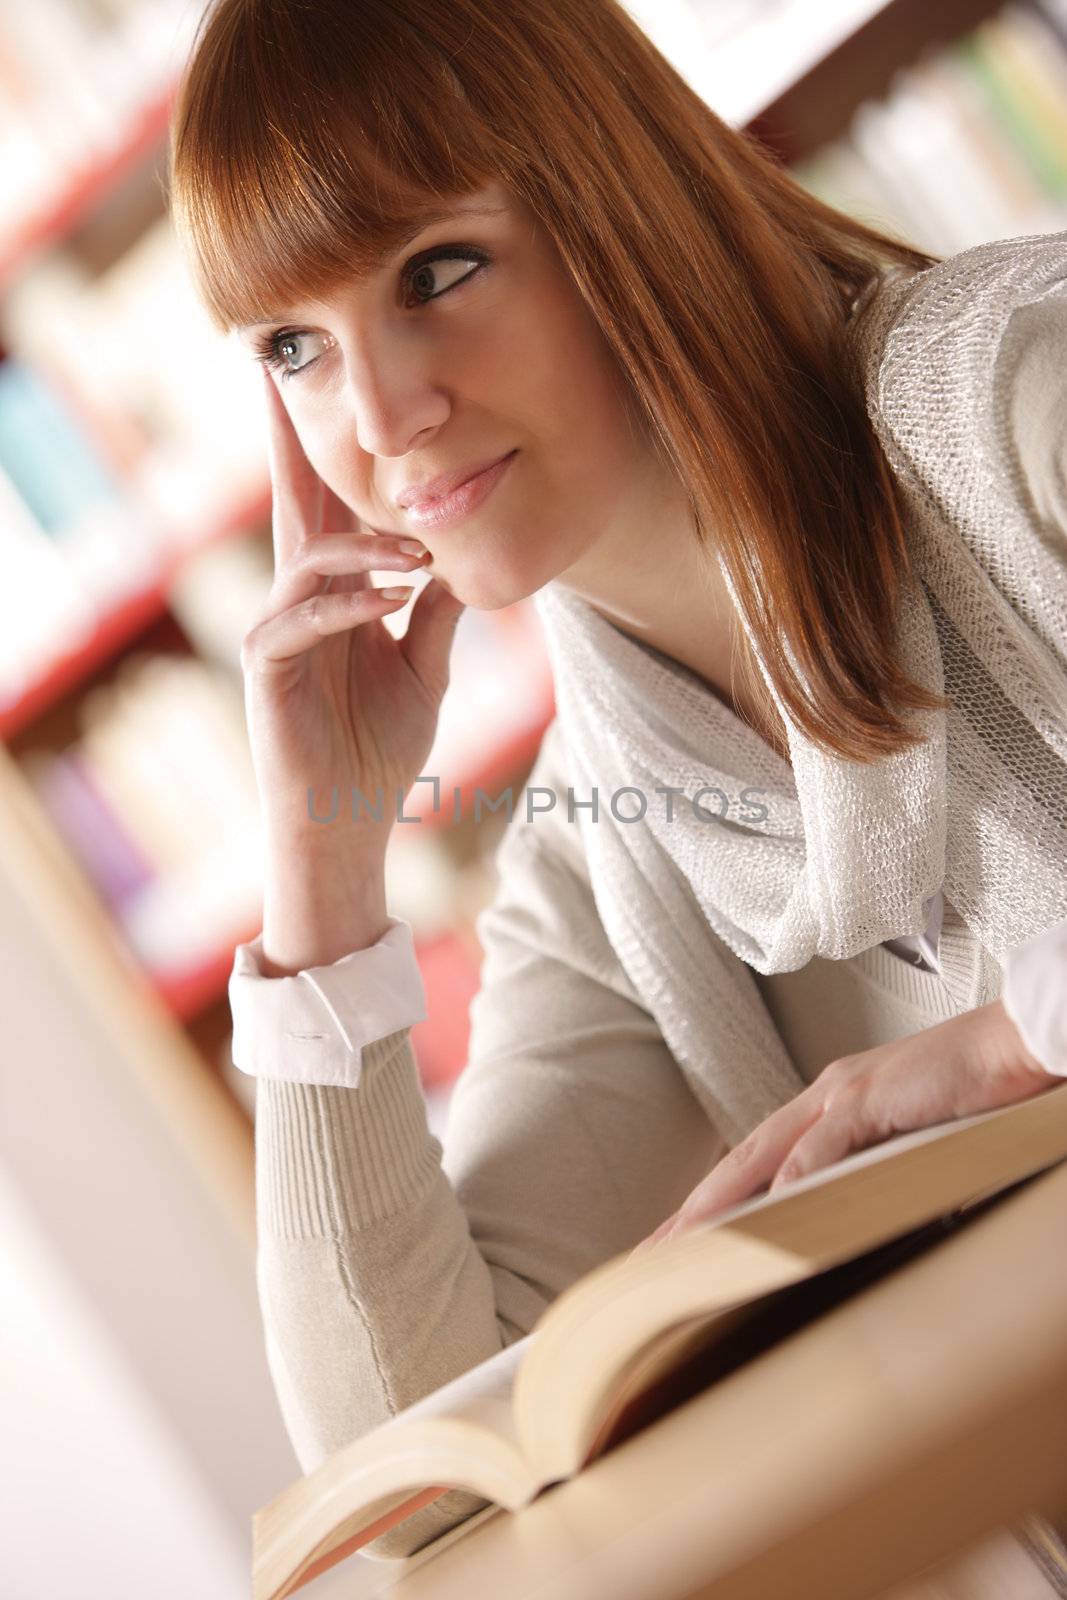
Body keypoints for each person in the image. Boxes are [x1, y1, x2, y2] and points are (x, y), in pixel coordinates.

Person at [167, 0, 1067, 1587]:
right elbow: (419, 1473)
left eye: (438, 270)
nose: (381, 424)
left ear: (611, 204)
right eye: (294, 347)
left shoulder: (1019, 401)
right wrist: (323, 869)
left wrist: (1013, 1042)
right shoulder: (616, 835)